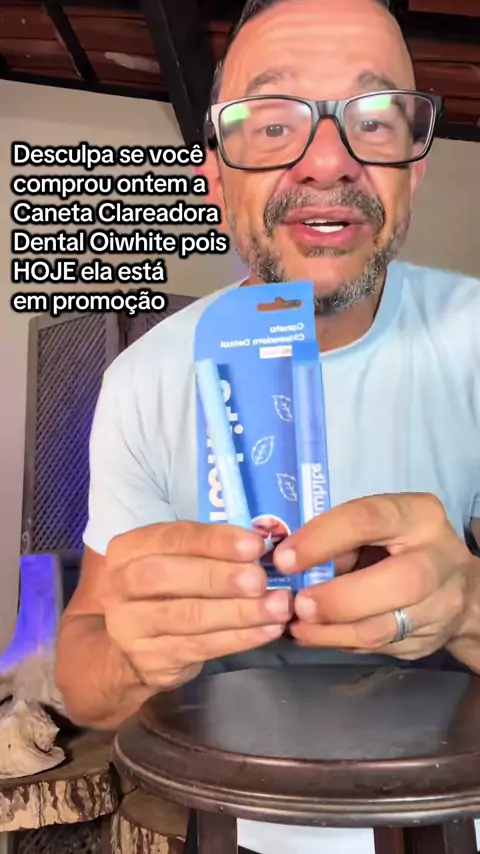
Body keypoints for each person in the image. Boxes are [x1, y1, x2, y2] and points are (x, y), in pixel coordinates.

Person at [56, 0, 480, 850]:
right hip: (235, 824)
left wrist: (468, 606)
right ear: (216, 180)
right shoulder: (142, 379)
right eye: (273, 122)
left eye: (375, 119)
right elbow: (81, 675)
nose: (327, 161)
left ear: (414, 171)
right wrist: (136, 652)